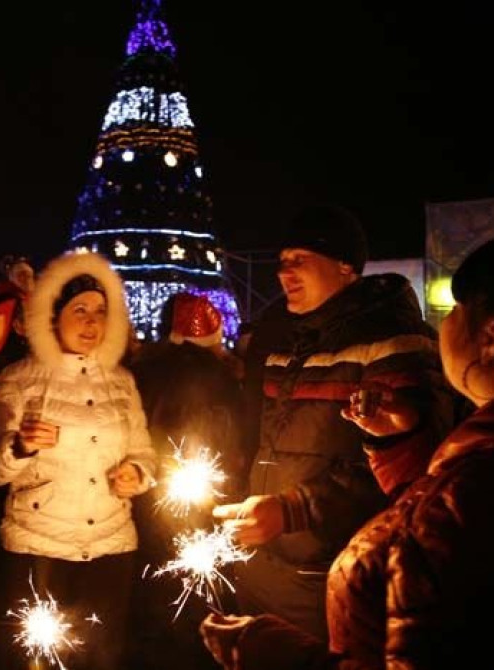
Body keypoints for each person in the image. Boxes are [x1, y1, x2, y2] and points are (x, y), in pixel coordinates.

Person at [200, 236, 494, 669]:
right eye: (280, 260)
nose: (284, 273)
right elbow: (420, 496)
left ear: (489, 337)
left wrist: (274, 654)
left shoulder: (472, 485)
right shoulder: (285, 337)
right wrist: (395, 445)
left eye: (456, 312)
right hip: (273, 564)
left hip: (317, 572)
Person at [0, 251, 157, 670]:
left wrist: (139, 473)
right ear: (52, 317)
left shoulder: (123, 381)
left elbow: (145, 453)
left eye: (100, 311)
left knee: (101, 657)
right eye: (80, 310)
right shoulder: (21, 379)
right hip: (39, 554)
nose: (92, 322)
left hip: (111, 552)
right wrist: (18, 448)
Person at [125, 292, 246, 670]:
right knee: (199, 593)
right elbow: (234, 439)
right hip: (203, 498)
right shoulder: (222, 375)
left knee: (160, 593)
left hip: (154, 496)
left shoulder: (145, 370)